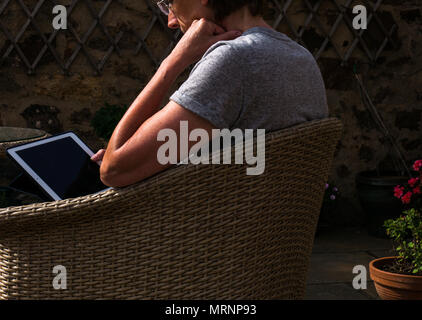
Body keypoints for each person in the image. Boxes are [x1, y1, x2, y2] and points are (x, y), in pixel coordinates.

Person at [91, 0, 328, 187]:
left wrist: (172, 62)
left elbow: (114, 170)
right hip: (269, 238)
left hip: (203, 240)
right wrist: (145, 156)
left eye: (169, 2)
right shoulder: (303, 59)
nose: (171, 21)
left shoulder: (233, 59)